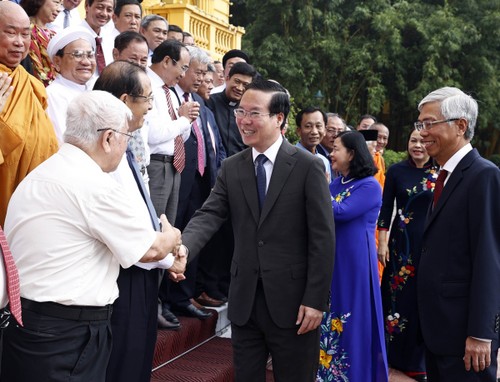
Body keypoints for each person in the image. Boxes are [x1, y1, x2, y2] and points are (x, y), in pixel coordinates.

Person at [1, 90, 184, 382]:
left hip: (26, 326)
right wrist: (172, 235)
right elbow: (149, 250)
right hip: (68, 334)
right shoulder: (93, 185)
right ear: (108, 138)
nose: (126, 145)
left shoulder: (39, 175)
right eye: (126, 136)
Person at [180, 79, 335, 381]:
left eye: (254, 113)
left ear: (279, 118)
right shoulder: (232, 167)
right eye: (240, 112)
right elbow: (210, 213)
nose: (244, 121)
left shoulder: (307, 166)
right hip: (245, 301)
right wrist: (183, 248)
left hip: (294, 305)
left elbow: (323, 238)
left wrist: (316, 300)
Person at [93, 60, 171, 382]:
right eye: (147, 99)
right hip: (123, 273)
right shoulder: (101, 151)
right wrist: (167, 249)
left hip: (143, 267)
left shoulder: (125, 145)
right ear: (125, 101)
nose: (151, 107)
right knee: (124, 363)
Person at [416, 87, 500, 381]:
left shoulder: (483, 175)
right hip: (439, 331)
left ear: (460, 126)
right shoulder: (444, 176)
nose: (422, 132)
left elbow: (489, 259)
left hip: (465, 336)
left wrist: (481, 333)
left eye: (429, 123)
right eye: (420, 124)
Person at [318, 130, 388, 381]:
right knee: (330, 314)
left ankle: (353, 374)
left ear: (352, 153)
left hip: (355, 263)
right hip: (333, 261)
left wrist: (317, 186)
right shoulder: (336, 183)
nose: (332, 153)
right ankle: (326, 373)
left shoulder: (370, 185)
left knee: (351, 318)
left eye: (336, 148)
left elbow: (339, 212)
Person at [377, 129, 436, 381]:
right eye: (413, 140)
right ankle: (391, 355)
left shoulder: (441, 172)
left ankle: (418, 361)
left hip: (431, 246)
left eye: (423, 141)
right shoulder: (396, 171)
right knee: (396, 299)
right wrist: (382, 242)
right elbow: (384, 209)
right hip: (400, 248)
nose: (418, 145)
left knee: (421, 301)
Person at [0, 1, 58, 227]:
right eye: (10, 32)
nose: (19, 42)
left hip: (37, 200)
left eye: (25, 34)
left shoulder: (30, 83)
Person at [46, 26, 96, 143]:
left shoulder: (95, 88)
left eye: (90, 55)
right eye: (77, 55)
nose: (86, 62)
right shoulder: (53, 95)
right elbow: (61, 140)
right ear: (57, 61)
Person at [20, 0, 61, 86]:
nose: (59, 9)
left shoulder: (54, 35)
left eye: (61, 5)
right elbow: (36, 70)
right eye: (56, 2)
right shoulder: (27, 31)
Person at [295, 106, 332, 182]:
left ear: (325, 130)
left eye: (318, 126)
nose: (314, 132)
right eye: (308, 126)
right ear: (298, 131)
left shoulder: (324, 161)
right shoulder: (289, 158)